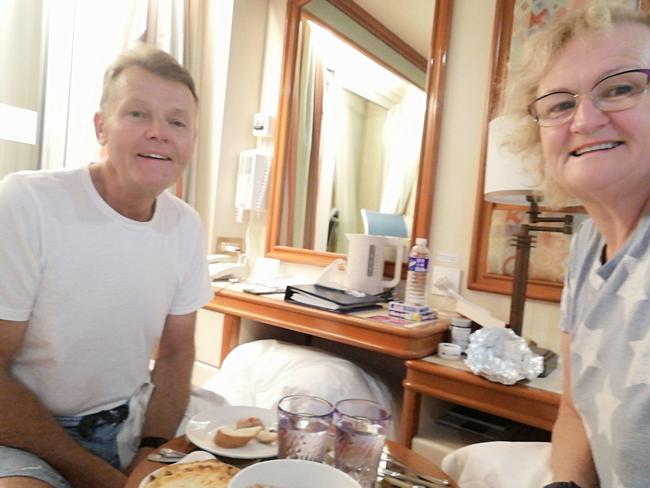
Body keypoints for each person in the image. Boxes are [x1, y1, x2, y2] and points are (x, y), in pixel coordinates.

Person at [442, 2, 650, 487]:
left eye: (621, 88)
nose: (584, 119)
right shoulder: (587, 246)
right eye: (559, 104)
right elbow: (576, 412)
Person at [0, 45, 212, 487]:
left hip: (128, 424)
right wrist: (106, 479)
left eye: (177, 121)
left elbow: (176, 353)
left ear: (190, 141)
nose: (160, 132)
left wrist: (153, 452)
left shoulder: (186, 226)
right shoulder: (29, 202)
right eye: (138, 114)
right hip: (24, 433)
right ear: (102, 127)